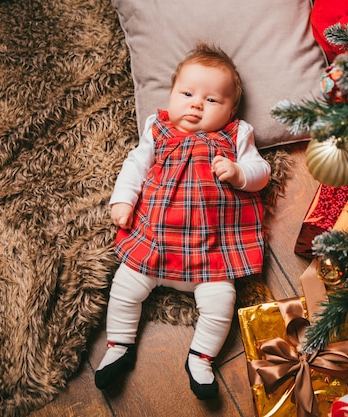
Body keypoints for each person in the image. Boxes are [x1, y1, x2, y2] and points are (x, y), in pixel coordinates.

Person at [95, 42, 271, 400]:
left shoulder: (236, 135)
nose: (195, 104)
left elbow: (262, 172)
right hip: (154, 242)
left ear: (231, 109)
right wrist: (123, 200)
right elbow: (135, 165)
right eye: (187, 93)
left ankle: (200, 358)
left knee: (222, 301)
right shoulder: (157, 129)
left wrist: (239, 172)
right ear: (171, 94)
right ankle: (119, 346)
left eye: (211, 100)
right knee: (125, 287)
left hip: (210, 252)